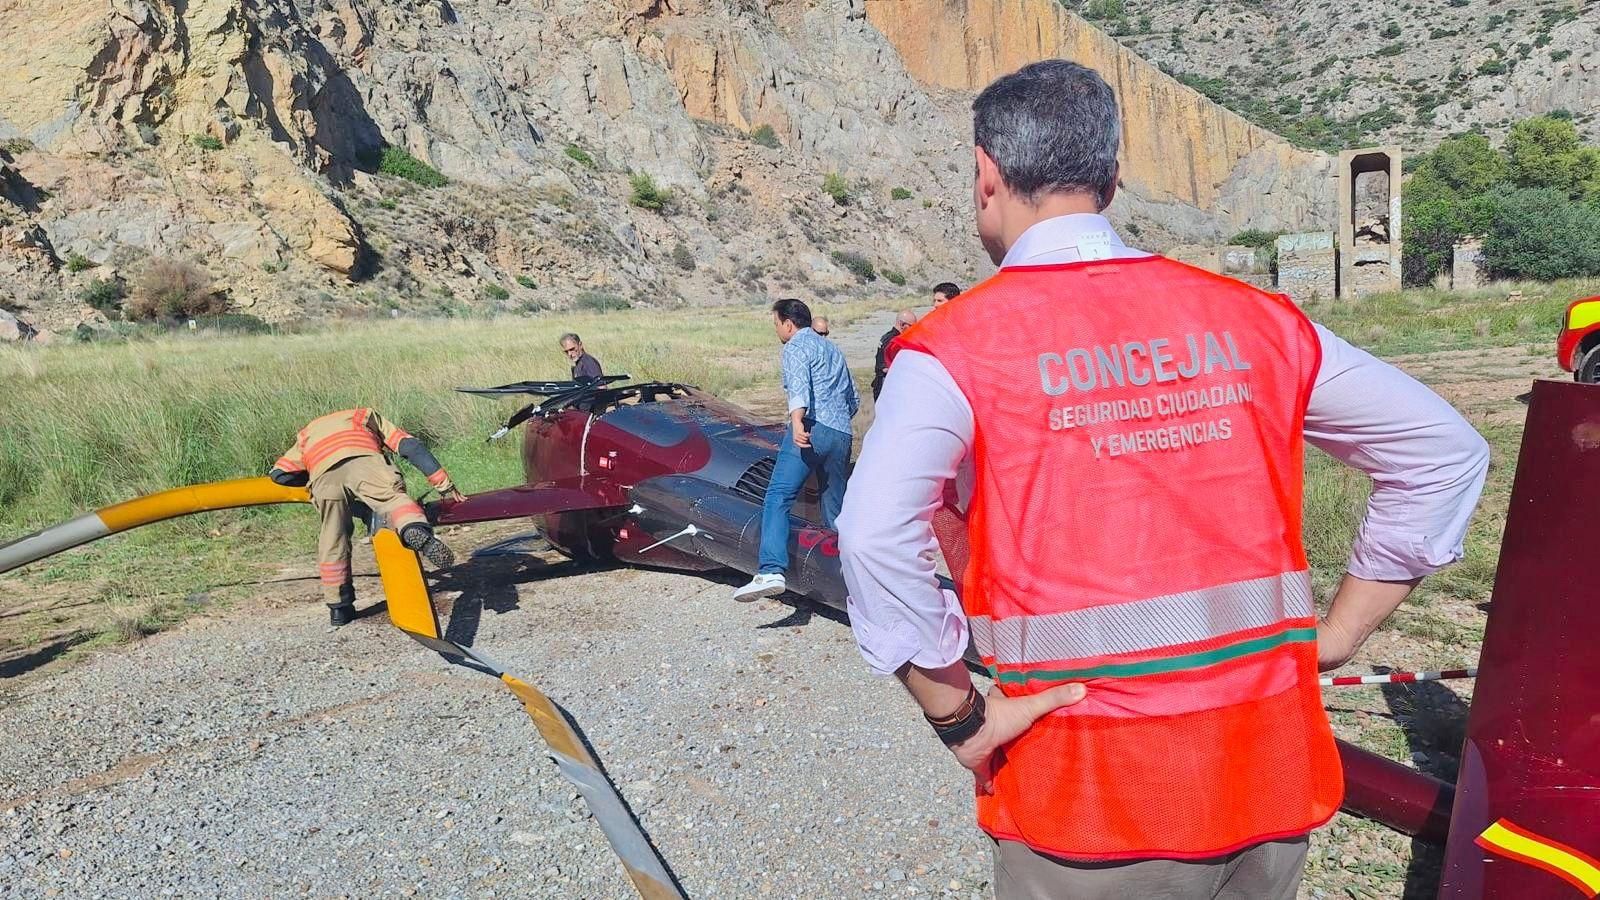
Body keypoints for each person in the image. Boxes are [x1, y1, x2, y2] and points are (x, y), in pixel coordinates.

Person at [836, 60, 1490, 899]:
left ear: (986, 175)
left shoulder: (956, 349)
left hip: (1089, 804)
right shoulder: (1259, 321)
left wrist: (960, 717)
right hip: (1268, 776)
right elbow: (1443, 452)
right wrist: (1340, 635)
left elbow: (871, 533)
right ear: (1112, 179)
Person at [269, 408, 465, 627]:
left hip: (323, 477)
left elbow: (280, 474)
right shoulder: (364, 415)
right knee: (395, 501)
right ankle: (413, 529)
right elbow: (411, 447)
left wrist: (315, 475)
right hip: (365, 461)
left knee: (333, 538)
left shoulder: (306, 434)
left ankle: (339, 609)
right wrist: (444, 484)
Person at [733, 299, 860, 602]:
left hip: (811, 428)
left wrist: (798, 422)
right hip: (841, 432)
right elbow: (853, 396)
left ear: (788, 324)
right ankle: (850, 573)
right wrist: (837, 426)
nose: (776, 329)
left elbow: (799, 386)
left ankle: (771, 569)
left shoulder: (794, 347)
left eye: (776, 323)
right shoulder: (832, 349)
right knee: (835, 506)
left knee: (778, 496)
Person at [871, 309, 918, 400]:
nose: (913, 330)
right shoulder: (895, 341)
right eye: (912, 326)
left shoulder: (887, 337)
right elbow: (886, 368)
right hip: (886, 387)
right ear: (902, 324)